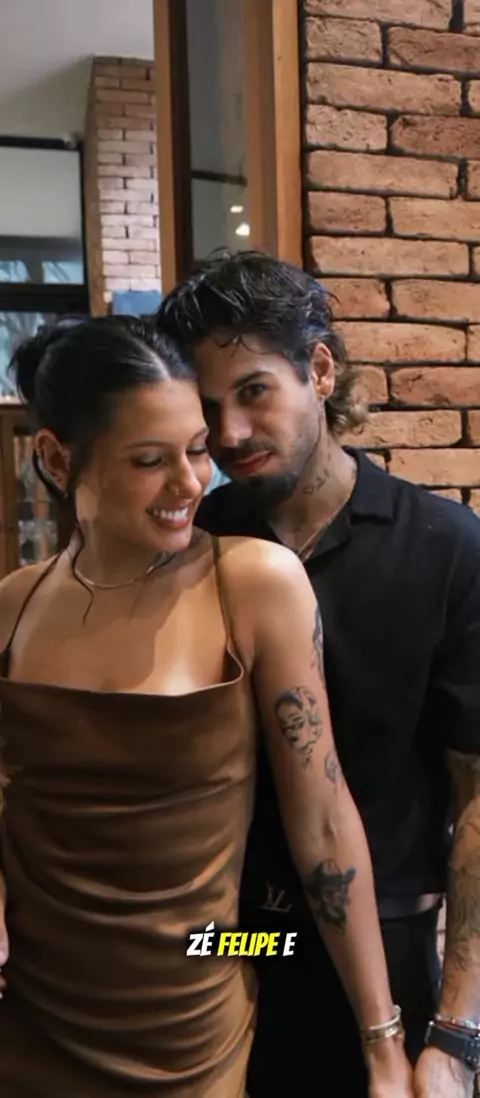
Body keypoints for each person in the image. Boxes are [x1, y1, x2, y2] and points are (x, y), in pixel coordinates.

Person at [0, 316, 412, 1097]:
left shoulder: (252, 583)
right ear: (54, 458)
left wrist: (383, 1040)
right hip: (31, 1015)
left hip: (198, 999)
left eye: (196, 450)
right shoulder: (13, 607)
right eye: (150, 460)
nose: (191, 484)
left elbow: (323, 818)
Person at [158, 250, 480, 1098]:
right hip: (234, 941)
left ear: (322, 371)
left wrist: (456, 1034)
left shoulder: (443, 547)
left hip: (392, 944)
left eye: (254, 391)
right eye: (208, 408)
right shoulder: (192, 545)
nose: (230, 434)